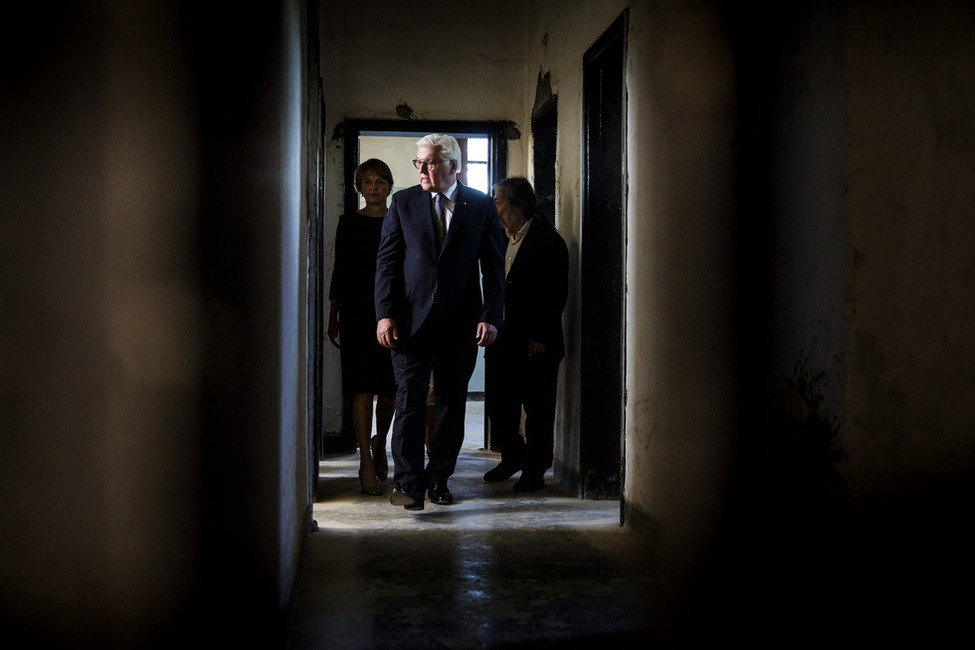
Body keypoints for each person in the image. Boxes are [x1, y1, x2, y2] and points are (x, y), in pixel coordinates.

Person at [375, 133, 505, 510]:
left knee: (451, 405)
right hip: (409, 322)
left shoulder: (479, 205)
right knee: (409, 403)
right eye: (419, 162)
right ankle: (409, 484)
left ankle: (439, 479)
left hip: (460, 322)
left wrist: (491, 316)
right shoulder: (403, 202)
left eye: (430, 162)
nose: (422, 170)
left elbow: (493, 267)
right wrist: (384, 314)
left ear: (453, 165)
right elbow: (386, 264)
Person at [483, 177, 568, 492]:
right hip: (503, 337)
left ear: (516, 204)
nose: (495, 206)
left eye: (499, 200)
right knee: (499, 405)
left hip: (535, 342)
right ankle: (513, 455)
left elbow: (555, 293)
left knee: (538, 409)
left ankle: (535, 469)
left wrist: (540, 335)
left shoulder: (548, 241)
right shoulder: (503, 239)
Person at [328, 158, 397, 496]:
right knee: (361, 386)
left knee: (389, 388)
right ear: (359, 187)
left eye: (380, 181)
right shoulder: (348, 223)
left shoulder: (399, 220)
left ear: (389, 185)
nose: (373, 186)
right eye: (367, 181)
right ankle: (365, 464)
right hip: (356, 312)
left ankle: (379, 442)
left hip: (393, 312)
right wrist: (334, 313)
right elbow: (340, 269)